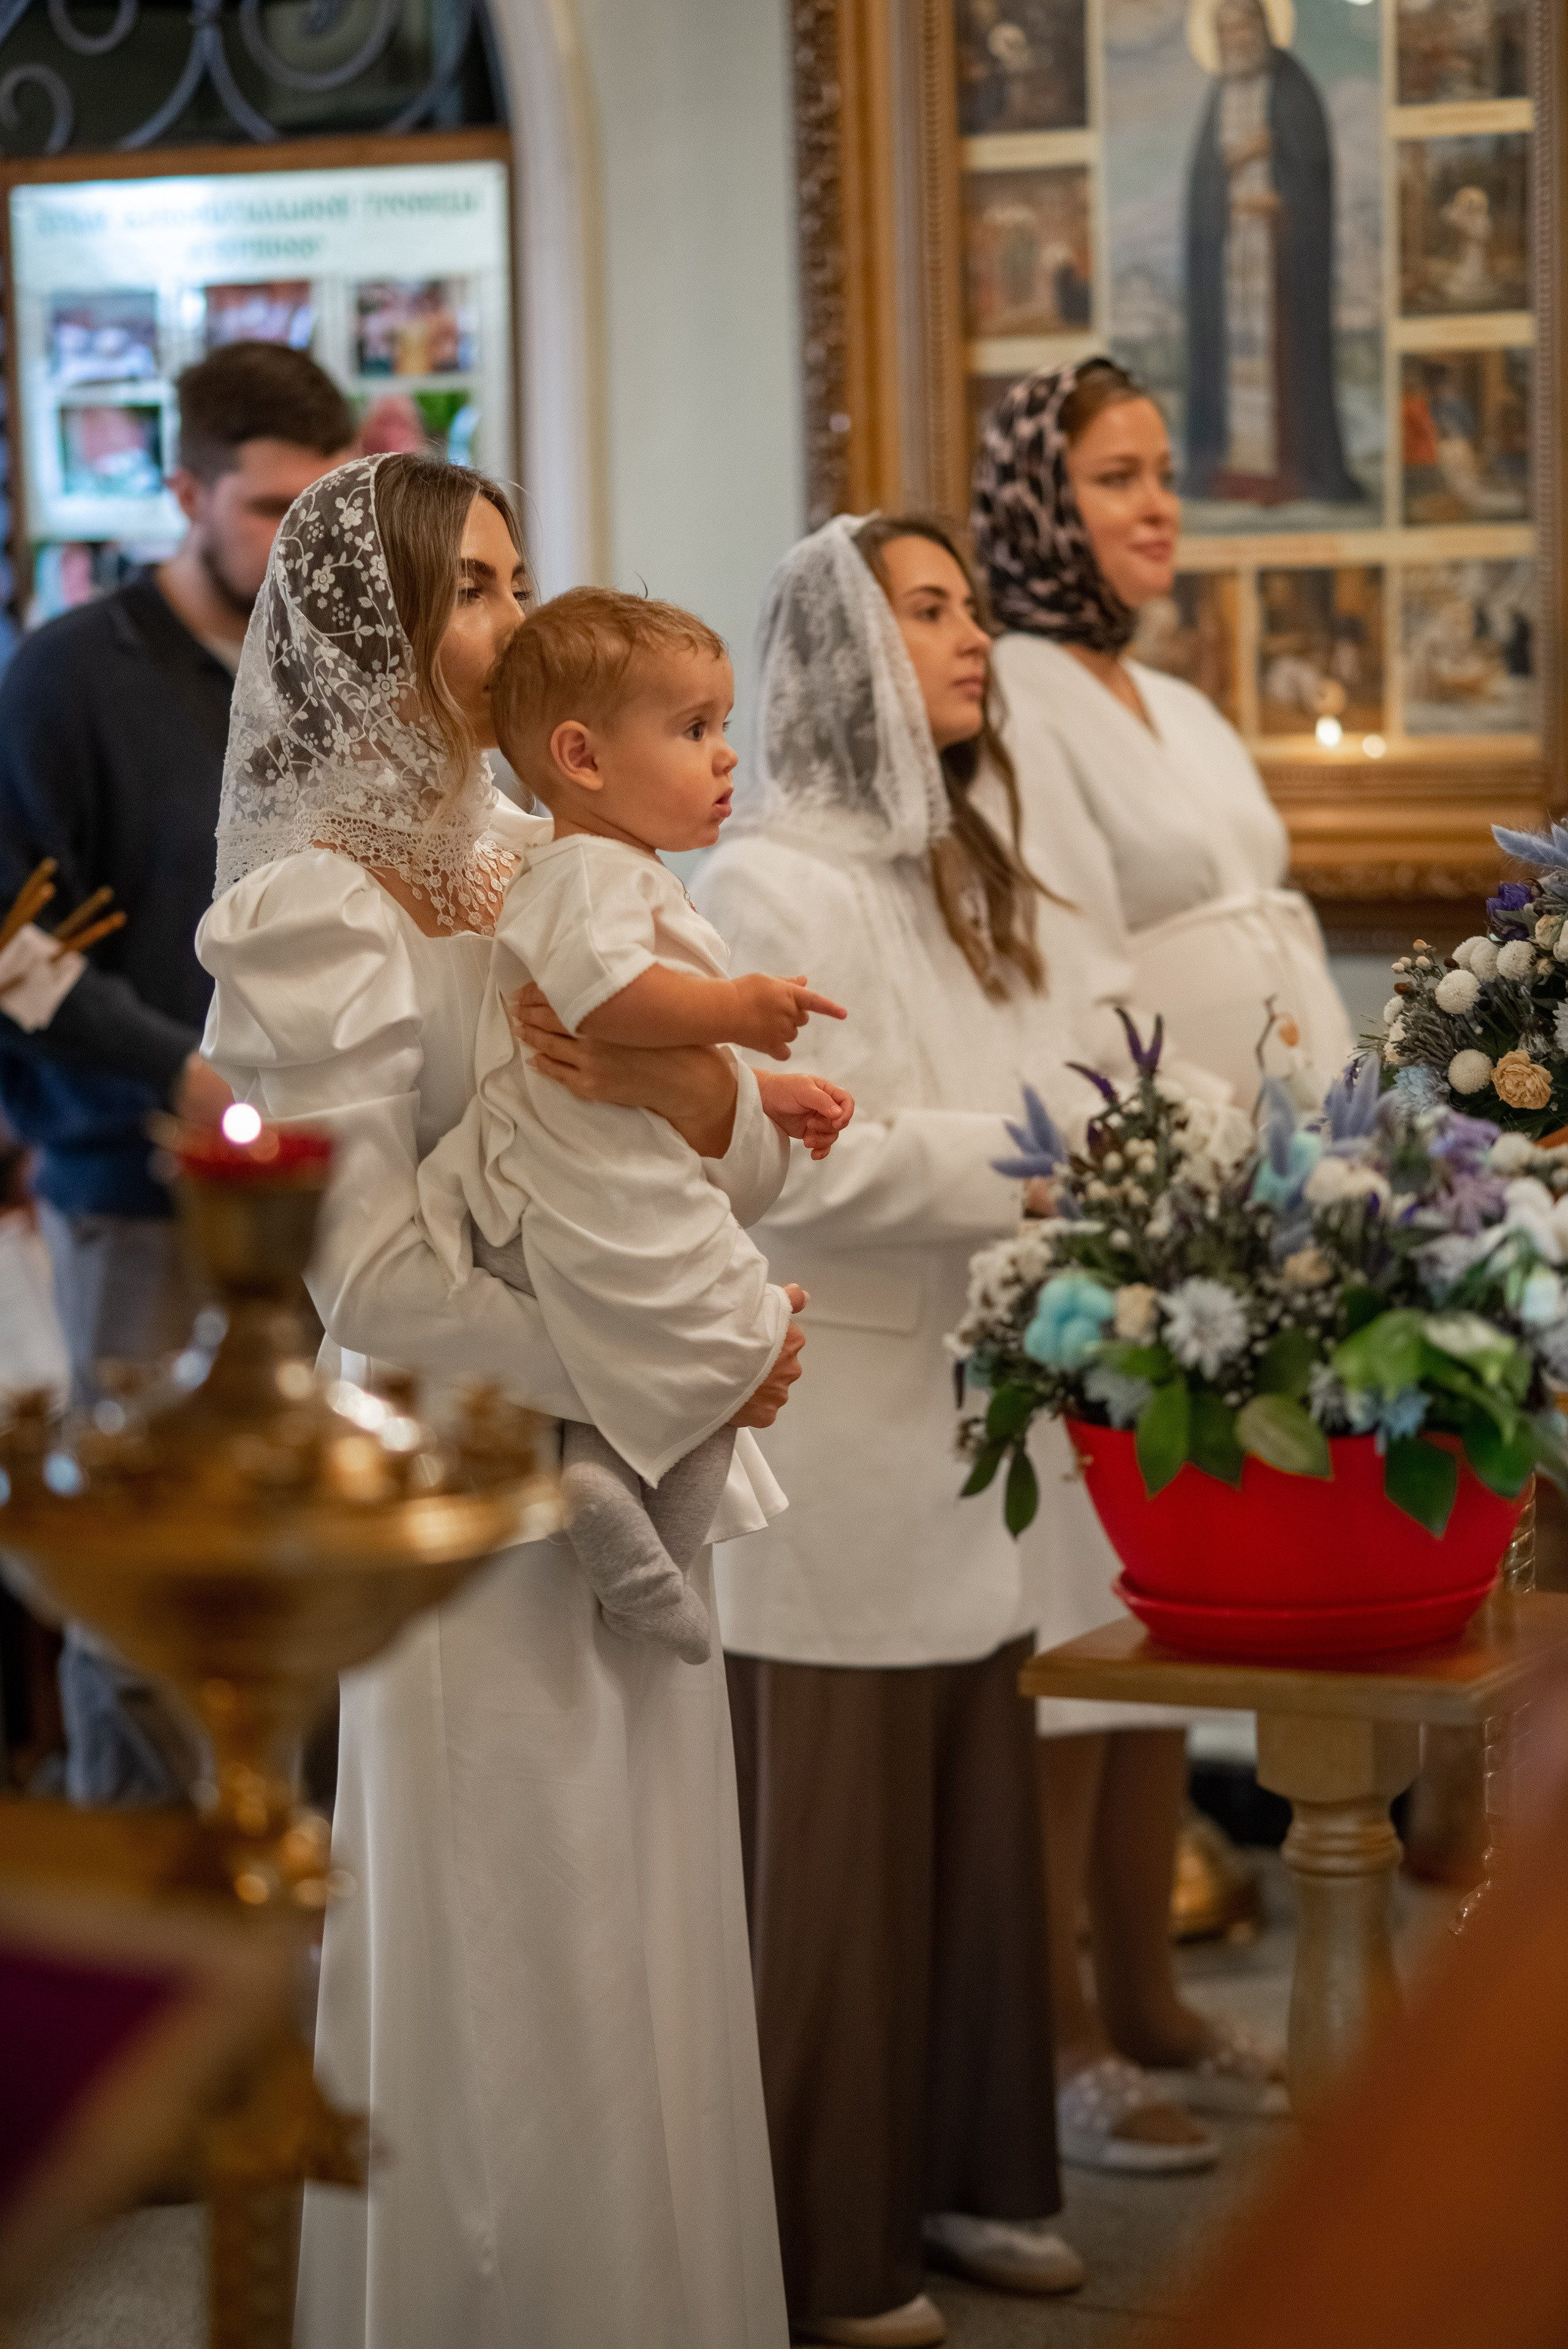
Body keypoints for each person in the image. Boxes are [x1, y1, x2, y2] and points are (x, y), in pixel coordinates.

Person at [197, 453, 801, 2349]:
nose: (507, 622)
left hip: (636, 1458)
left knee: (652, 1948)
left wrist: (700, 1111)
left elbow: (753, 1144)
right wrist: (652, 1360)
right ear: (374, 629)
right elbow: (363, 1278)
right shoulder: (312, 909)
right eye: (466, 590)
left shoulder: (565, 856)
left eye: (515, 579)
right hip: (467, 1497)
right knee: (516, 1968)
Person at [693, 511, 1152, 2349]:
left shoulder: (968, 867)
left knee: (970, 1830)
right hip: (848, 1423)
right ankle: (823, 2233)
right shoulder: (765, 887)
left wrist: (1106, 1133)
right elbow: (808, 1161)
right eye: (933, 613)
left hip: (984, 1415)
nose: (975, 643)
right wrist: (1045, 1173)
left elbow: (1081, 1063)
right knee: (840, 1849)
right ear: (842, 651)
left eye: (970, 608)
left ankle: (968, 2171)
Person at [971, 355, 1352, 2167]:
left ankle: (1145, 1989)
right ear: (1042, 500)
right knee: (1071, 1617)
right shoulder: (1019, 698)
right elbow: (1051, 957)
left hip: (1257, 1192)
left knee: (1150, 1614)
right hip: (1128, 1197)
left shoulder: (1174, 699)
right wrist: (1166, 1149)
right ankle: (1058, 2034)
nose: (1152, 506)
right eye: (1114, 476)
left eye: (1162, 472)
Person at [0, 341, 355, 1805]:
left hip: (323, 1192)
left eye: (320, 513)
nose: (295, 550)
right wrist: (186, 1073)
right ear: (184, 491)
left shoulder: (333, 670)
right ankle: (154, 1937)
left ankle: (311, 1926)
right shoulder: (68, 673)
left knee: (318, 1553)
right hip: (131, 1187)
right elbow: (18, 942)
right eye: (270, 511)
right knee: (138, 1584)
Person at [417, 586, 853, 1661]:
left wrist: (757, 1094)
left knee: (737, 1336)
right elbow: (606, 1005)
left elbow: (653, 1056)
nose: (725, 757)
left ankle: (622, 1511)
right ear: (584, 757)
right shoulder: (586, 875)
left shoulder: (612, 869)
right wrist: (742, 1009)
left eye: (724, 728)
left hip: (611, 1164)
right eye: (694, 729)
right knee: (736, 1335)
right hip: (587, 1182)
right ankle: (629, 1535)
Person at [1183, 0, 1361, 505]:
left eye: (1244, 29)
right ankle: (1232, 463)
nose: (1236, 42)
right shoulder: (1217, 97)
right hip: (1230, 264)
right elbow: (1203, 188)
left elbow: (1313, 173)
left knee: (1286, 358)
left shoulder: (1292, 87)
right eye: (1226, 34)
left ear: (1263, 29)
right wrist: (1239, 159)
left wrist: (1279, 199)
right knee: (1233, 365)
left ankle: (1296, 469)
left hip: (1280, 262)